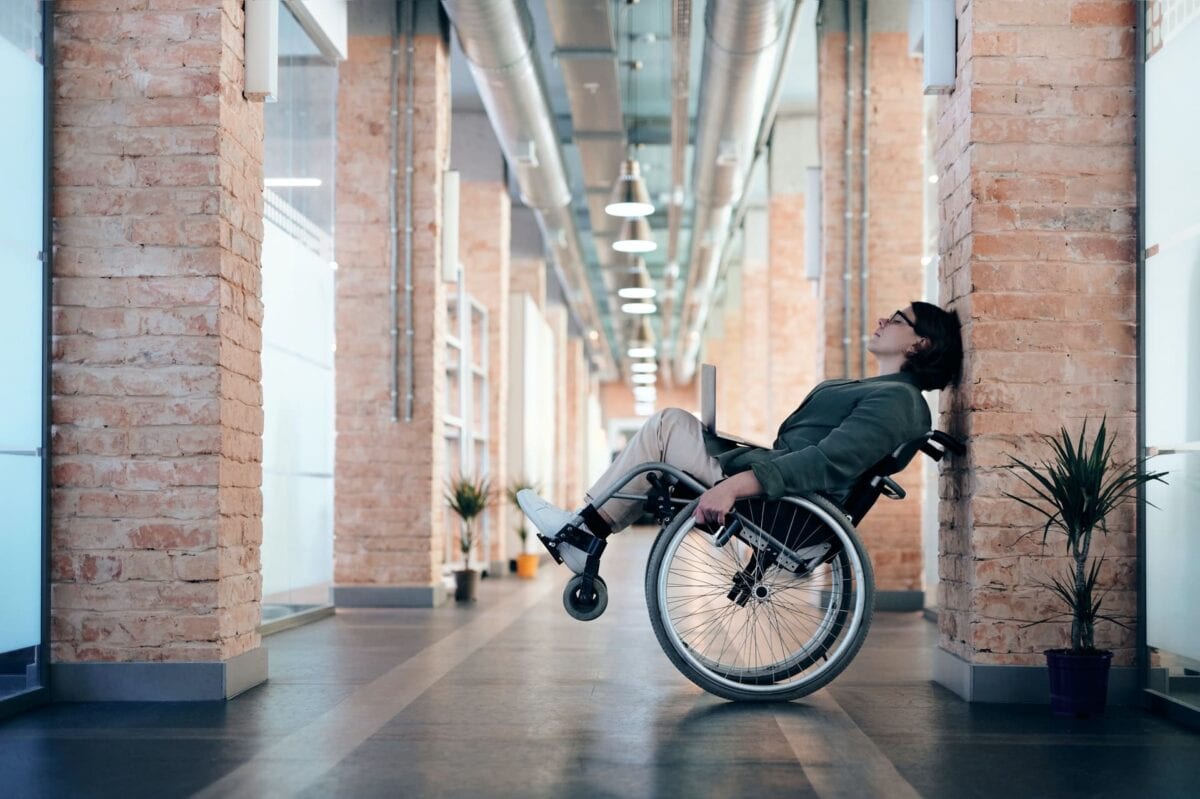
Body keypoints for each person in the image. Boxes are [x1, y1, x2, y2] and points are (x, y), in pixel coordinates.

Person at [517, 301, 963, 574]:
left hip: (786, 510)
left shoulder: (898, 402)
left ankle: (582, 534)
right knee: (670, 426)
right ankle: (583, 533)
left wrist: (732, 485)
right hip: (778, 493)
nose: (885, 318)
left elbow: (827, 463)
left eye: (900, 318)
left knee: (668, 424)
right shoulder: (883, 392)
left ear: (920, 344)